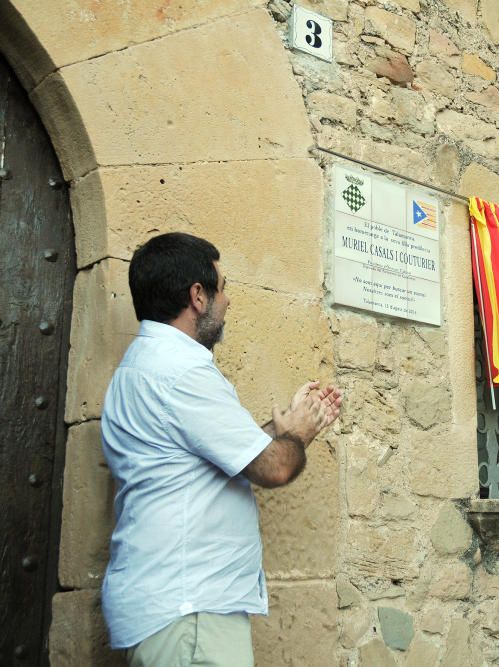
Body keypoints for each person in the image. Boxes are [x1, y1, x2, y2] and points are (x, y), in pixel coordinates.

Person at [100, 232, 342, 666]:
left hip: (175, 608)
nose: (227, 300)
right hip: (190, 612)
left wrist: (283, 425)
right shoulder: (182, 372)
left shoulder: (146, 364)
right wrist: (299, 434)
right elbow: (274, 469)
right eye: (223, 286)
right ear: (198, 296)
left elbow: (218, 451)